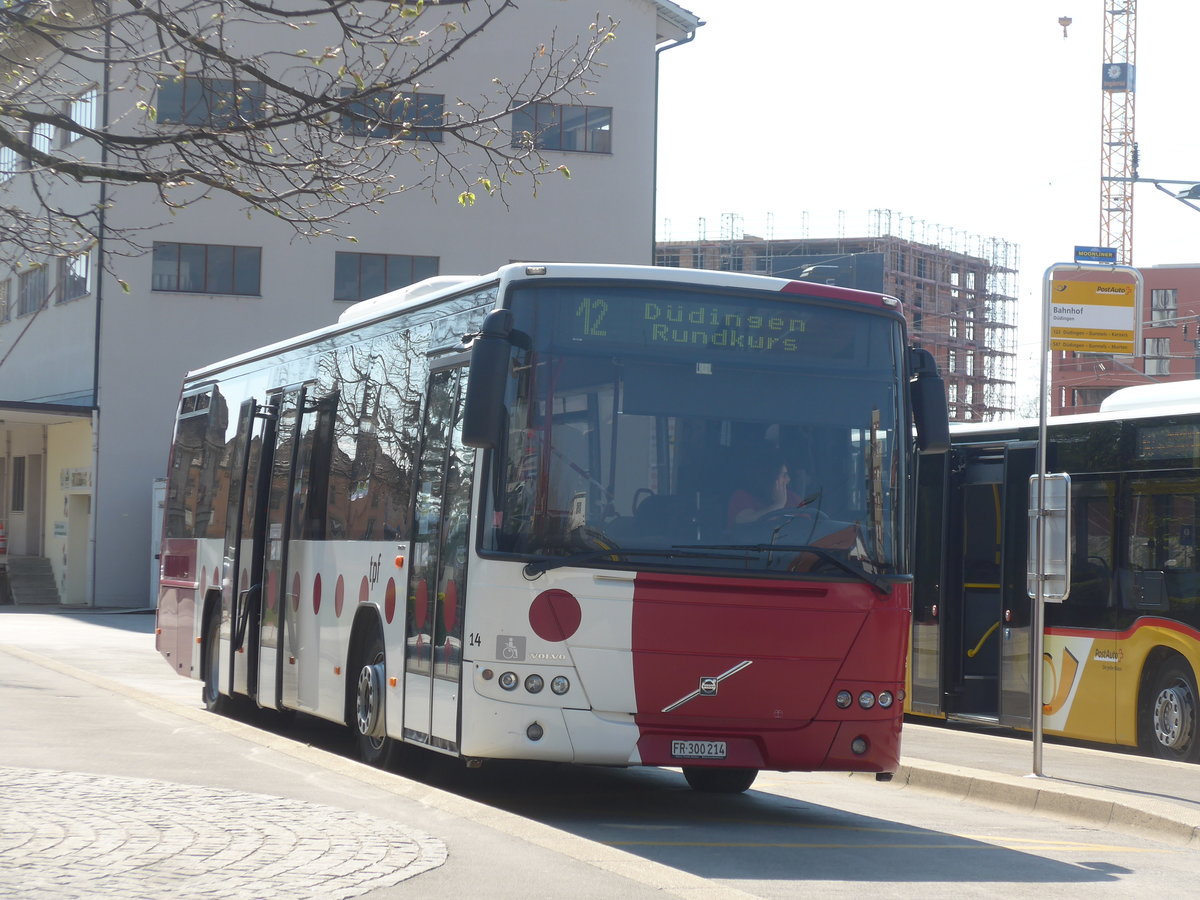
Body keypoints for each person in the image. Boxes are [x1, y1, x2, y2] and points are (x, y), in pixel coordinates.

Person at [727, 448, 810, 529]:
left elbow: (806, 530)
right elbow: (745, 524)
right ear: (768, 477)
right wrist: (778, 505)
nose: (788, 479)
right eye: (784, 475)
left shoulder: (793, 498)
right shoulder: (741, 497)